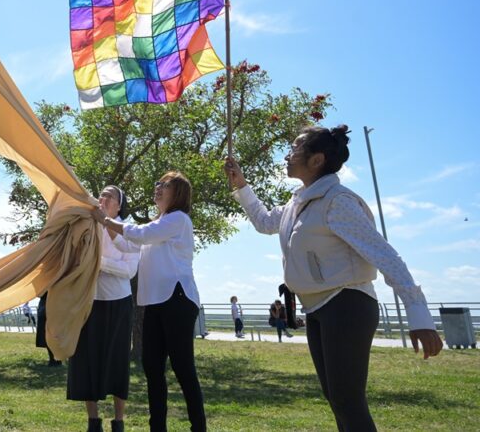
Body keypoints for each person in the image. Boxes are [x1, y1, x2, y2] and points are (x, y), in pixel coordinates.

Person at [225, 125, 442, 431]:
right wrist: (241, 187)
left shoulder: (337, 200)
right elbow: (263, 222)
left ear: (317, 160)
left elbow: (384, 255)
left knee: (347, 400)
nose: (288, 155)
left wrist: (419, 315)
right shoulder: (297, 203)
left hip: (346, 305)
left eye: (296, 149)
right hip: (316, 309)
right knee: (338, 399)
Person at [94, 172, 207, 432]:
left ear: (177, 193)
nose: (157, 188)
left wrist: (107, 221)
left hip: (177, 299)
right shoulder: (158, 225)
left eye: (164, 185)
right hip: (155, 303)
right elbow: (129, 245)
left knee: (183, 368)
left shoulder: (178, 220)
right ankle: (157, 427)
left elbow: (141, 235)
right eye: (157, 183)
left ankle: (198, 427)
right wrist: (107, 227)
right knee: (152, 368)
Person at [70, 185, 140, 432]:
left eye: (109, 195)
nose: (103, 197)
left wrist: (98, 262)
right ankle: (93, 421)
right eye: (101, 194)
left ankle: (118, 421)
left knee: (117, 361)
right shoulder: (87, 225)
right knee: (87, 359)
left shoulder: (129, 230)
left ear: (118, 205)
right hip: (89, 301)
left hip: (118, 302)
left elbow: (129, 270)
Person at [36, 292, 61, 366]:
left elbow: (39, 294)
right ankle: (55, 358)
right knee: (50, 336)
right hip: (48, 308)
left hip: (48, 309)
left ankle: (54, 359)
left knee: (50, 336)